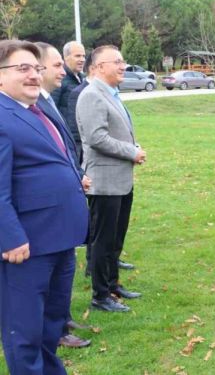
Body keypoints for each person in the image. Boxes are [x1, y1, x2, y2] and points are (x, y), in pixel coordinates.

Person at [0, 39, 89, 374]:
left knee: (52, 325)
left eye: (36, 68)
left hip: (61, 239)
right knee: (24, 333)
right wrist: (9, 237)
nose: (33, 75)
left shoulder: (39, 111)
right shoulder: (3, 116)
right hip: (26, 246)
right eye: (22, 68)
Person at [76, 45, 145, 312]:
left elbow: (116, 131)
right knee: (103, 241)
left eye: (122, 60)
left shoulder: (111, 93)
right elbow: (96, 138)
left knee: (116, 238)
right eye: (116, 61)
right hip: (104, 181)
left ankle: (113, 285)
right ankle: (100, 295)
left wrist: (133, 146)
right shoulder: (92, 95)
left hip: (120, 179)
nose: (122, 66)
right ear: (98, 66)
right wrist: (132, 152)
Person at [34, 42, 93, 349]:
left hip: (65, 201)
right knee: (48, 277)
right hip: (46, 213)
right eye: (57, 65)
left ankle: (61, 318)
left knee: (64, 271)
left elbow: (63, 146)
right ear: (38, 67)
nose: (63, 69)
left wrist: (76, 174)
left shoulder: (47, 100)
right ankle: (54, 331)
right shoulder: (33, 105)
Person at [51, 41, 86, 120]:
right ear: (66, 57)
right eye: (78, 56)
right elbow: (52, 108)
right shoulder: (59, 78)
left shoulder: (83, 79)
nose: (82, 59)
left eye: (83, 56)